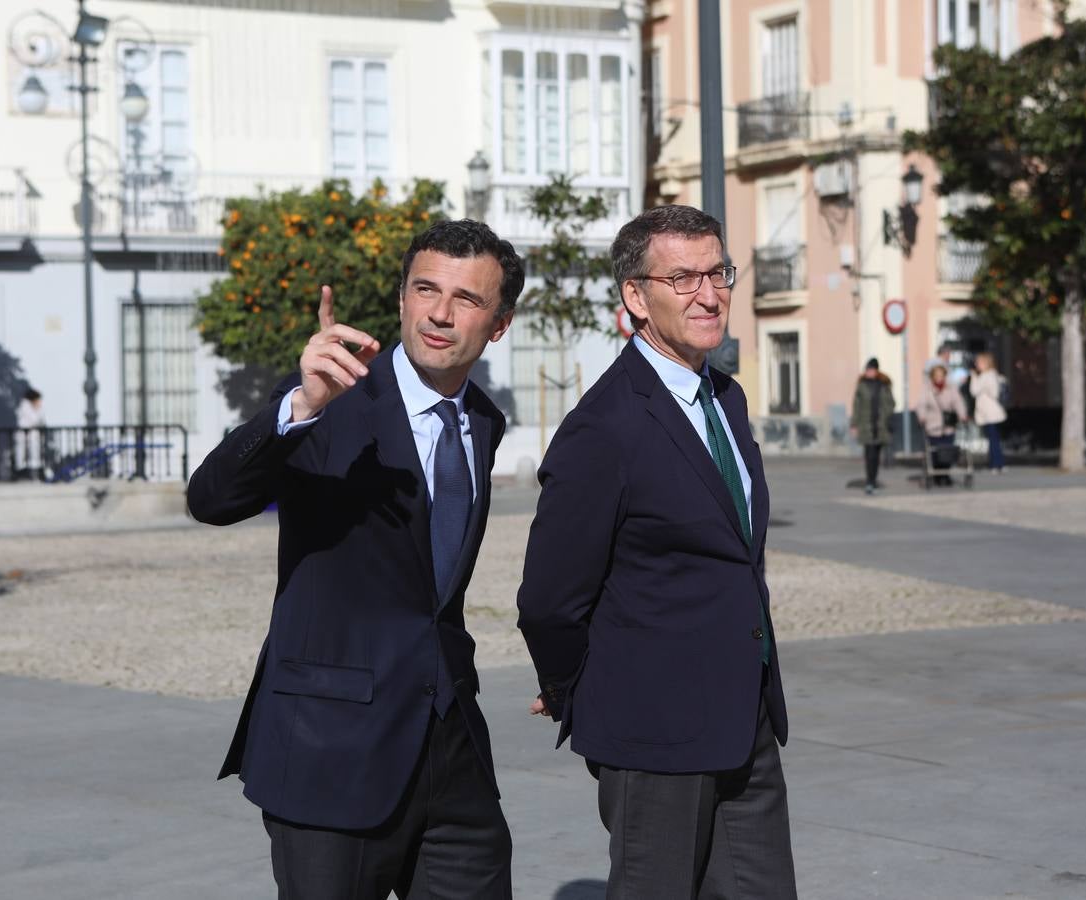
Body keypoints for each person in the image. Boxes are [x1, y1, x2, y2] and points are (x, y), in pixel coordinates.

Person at [187, 219, 523, 899]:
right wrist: (297, 407)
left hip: (449, 752)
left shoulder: (483, 421)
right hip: (328, 751)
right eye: (424, 289)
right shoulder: (332, 397)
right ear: (401, 297)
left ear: (499, 323)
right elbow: (212, 499)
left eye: (466, 299)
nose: (437, 312)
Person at [517, 205, 796, 899]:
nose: (710, 293)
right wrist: (571, 691)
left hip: (745, 719)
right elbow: (550, 599)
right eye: (684, 277)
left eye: (718, 272)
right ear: (636, 297)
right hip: (655, 732)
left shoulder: (723, 398)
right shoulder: (603, 428)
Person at [915, 364, 969, 485]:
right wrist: (922, 417)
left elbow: (958, 402)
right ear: (932, 377)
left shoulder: (951, 389)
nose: (939, 378)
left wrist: (962, 415)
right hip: (933, 426)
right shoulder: (927, 390)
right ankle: (936, 475)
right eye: (937, 375)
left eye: (941, 375)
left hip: (948, 425)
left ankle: (945, 475)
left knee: (948, 452)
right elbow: (921, 405)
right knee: (934, 453)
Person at [850, 357, 895, 495]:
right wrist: (854, 424)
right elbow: (856, 406)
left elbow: (891, 403)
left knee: (876, 455)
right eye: (867, 369)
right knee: (869, 454)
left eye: (871, 369)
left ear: (876, 370)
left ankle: (873, 479)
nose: (869, 372)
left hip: (880, 425)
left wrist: (886, 415)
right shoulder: (861, 385)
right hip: (866, 425)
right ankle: (869, 481)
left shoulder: (883, 385)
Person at [969, 352, 1008, 472]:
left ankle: (995, 464)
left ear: (986, 363)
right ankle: (998, 463)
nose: (977, 365)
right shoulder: (994, 375)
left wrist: (974, 377)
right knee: (994, 439)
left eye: (979, 362)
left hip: (990, 413)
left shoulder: (986, 376)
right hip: (993, 412)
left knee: (993, 439)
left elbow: (974, 391)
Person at [13, 387, 46, 481]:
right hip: (25, 435)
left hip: (33, 435)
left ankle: (34, 471)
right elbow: (35, 420)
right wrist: (38, 409)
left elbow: (41, 420)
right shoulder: (25, 406)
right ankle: (21, 472)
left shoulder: (35, 407)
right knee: (22, 454)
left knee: (34, 453)